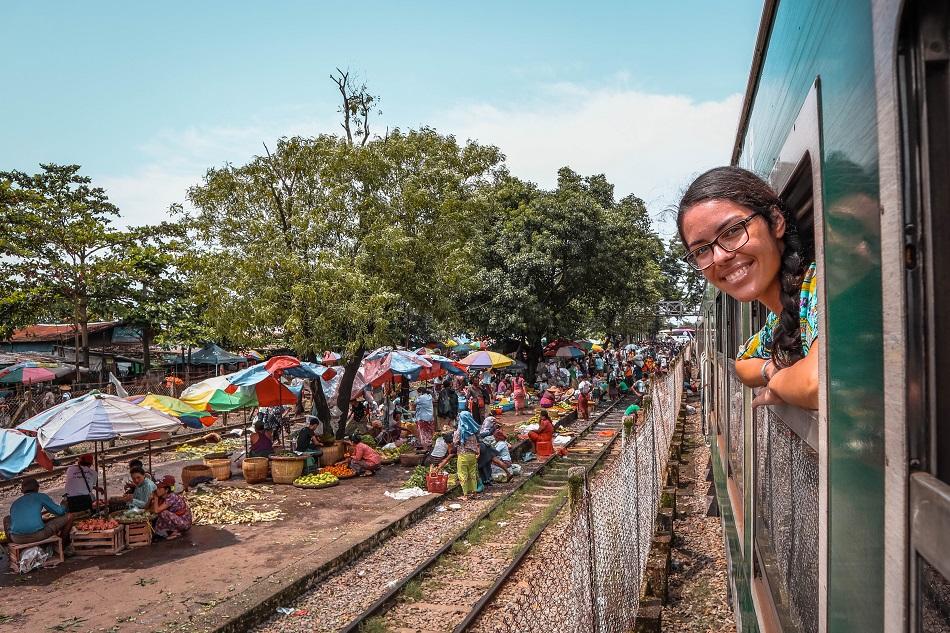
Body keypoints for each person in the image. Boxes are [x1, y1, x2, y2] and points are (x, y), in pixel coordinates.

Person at [678, 166, 818, 409]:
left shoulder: (820, 284)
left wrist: (777, 383)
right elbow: (743, 362)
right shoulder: (780, 320)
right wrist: (771, 368)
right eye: (701, 250)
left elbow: (818, 384)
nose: (720, 257)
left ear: (775, 221)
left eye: (732, 231)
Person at [3, 478, 73, 548]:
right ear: (37, 488)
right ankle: (62, 546)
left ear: (22, 491)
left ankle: (10, 547)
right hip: (38, 535)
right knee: (69, 516)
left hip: (17, 538)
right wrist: (64, 503)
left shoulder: (15, 503)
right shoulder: (40, 496)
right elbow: (60, 512)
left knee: (6, 519)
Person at [148, 476, 192, 540]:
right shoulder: (162, 497)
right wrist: (150, 500)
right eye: (156, 488)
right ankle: (168, 533)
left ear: (166, 490)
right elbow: (149, 509)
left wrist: (155, 497)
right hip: (176, 519)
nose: (157, 490)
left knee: (163, 513)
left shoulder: (171, 497)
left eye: (159, 489)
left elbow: (156, 510)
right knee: (157, 524)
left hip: (184, 523)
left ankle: (173, 532)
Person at [453, 411, 481, 499]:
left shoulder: (459, 431)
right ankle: (474, 493)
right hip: (472, 456)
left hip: (463, 455)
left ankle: (465, 494)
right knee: (472, 474)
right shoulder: (473, 431)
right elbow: (476, 443)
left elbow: (455, 442)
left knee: (463, 474)